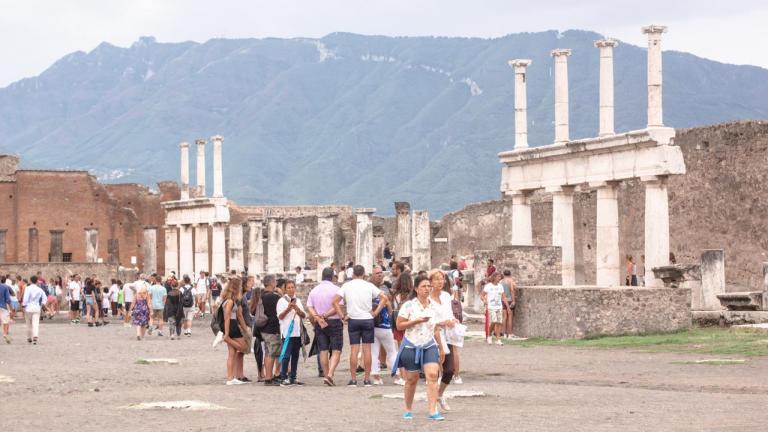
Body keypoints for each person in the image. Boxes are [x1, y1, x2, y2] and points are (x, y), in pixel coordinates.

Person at [393, 274, 445, 421]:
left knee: (433, 375)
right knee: (412, 379)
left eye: (429, 286)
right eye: (423, 286)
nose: (427, 289)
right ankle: (408, 409)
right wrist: (415, 321)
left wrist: (441, 348)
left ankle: (433, 410)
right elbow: (399, 325)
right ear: (416, 289)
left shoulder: (434, 306)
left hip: (429, 344)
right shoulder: (408, 305)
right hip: (411, 344)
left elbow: (435, 329)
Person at [333, 265, 388, 387]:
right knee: (367, 350)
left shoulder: (347, 286)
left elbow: (335, 301)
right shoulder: (369, 285)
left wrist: (342, 315)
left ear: (353, 274)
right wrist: (376, 312)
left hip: (353, 319)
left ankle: (353, 379)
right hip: (367, 319)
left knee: (354, 350)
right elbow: (384, 298)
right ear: (364, 274)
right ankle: (367, 379)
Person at [307, 267, 344, 387]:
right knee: (336, 350)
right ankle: (330, 374)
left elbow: (310, 307)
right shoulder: (337, 289)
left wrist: (317, 317)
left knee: (322, 350)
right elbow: (338, 307)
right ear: (332, 277)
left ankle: (326, 373)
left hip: (320, 323)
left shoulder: (314, 290)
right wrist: (325, 315)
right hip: (334, 321)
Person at [428, 270, 459, 412]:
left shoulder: (446, 296)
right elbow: (428, 319)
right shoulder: (427, 299)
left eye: (442, 279)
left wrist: (453, 320)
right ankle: (433, 403)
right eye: (437, 279)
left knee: (449, 369)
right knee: (435, 371)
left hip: (448, 334)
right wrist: (442, 322)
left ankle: (439, 394)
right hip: (433, 335)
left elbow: (450, 312)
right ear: (431, 282)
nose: (440, 282)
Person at [369, 265, 398, 385]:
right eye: (377, 273)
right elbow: (387, 302)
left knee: (387, 350)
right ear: (372, 275)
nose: (380, 274)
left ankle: (390, 375)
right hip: (376, 322)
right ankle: (394, 376)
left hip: (381, 322)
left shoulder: (386, 286)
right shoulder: (370, 288)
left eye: (381, 272)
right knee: (385, 351)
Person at [277, 280, 306, 386]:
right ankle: (283, 377)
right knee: (286, 355)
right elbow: (280, 316)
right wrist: (288, 309)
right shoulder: (281, 301)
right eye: (288, 287)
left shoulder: (297, 300)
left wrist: (297, 309)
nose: (291, 289)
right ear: (285, 289)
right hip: (286, 332)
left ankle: (293, 376)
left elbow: (304, 315)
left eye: (292, 287)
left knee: (295, 355)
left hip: (297, 332)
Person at [221, 278, 250, 385]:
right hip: (232, 326)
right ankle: (227, 339)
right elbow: (227, 317)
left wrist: (245, 330)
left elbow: (239, 315)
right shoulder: (230, 301)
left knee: (232, 354)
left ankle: (230, 378)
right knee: (244, 347)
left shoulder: (230, 300)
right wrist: (227, 334)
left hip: (232, 325)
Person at [259, 275, 282, 386]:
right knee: (272, 353)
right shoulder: (274, 297)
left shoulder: (261, 295)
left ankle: (268, 376)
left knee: (268, 352)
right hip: (272, 327)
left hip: (264, 327)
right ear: (271, 283)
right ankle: (269, 377)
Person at [481, 272, 506, 345]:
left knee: (499, 322)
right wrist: (485, 301)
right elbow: (482, 295)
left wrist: (506, 305)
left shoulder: (501, 286)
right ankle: (489, 335)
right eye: (498, 277)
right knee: (493, 321)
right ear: (494, 277)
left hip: (499, 306)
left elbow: (503, 296)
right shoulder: (488, 286)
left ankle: (498, 339)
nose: (500, 278)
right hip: (491, 306)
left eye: (500, 277)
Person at [22, 275, 46, 345]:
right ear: (36, 281)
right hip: (36, 308)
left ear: (30, 281)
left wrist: (24, 306)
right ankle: (35, 336)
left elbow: (25, 298)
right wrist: (42, 304)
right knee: (35, 323)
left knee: (28, 324)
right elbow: (44, 297)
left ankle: (29, 337)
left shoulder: (28, 288)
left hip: (28, 308)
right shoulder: (39, 289)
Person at [500, 270, 516, 338]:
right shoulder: (510, 281)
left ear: (503, 274)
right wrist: (513, 300)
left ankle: (503, 333)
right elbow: (512, 290)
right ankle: (509, 334)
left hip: (503, 300)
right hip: (509, 300)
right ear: (510, 274)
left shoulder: (501, 282)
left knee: (504, 317)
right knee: (510, 317)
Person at [0, 278, 12, 343]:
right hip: (3, 306)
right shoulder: (5, 287)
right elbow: (8, 299)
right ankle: (5, 334)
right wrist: (11, 308)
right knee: (6, 321)